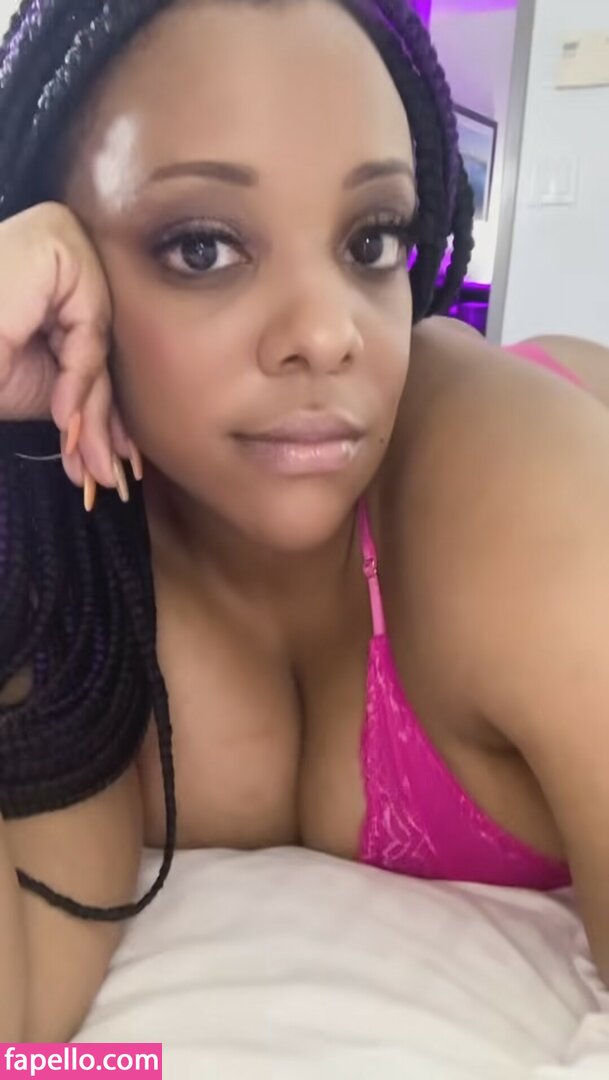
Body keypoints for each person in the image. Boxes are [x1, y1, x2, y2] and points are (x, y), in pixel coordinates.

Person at [1, 0, 608, 1044]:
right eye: (202, 248)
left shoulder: (507, 497)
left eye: (371, 239)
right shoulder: (72, 579)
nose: (329, 335)